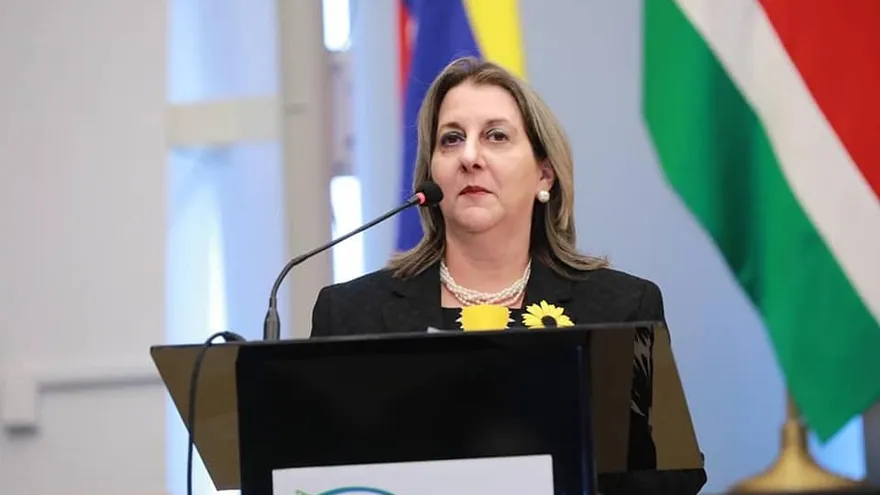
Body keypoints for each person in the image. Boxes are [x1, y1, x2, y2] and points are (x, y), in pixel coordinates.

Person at [310, 56, 706, 494]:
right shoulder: (348, 315)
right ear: (431, 177)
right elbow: (308, 470)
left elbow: (671, 478)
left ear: (544, 174)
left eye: (496, 136)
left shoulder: (621, 309)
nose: (470, 156)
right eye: (451, 139)